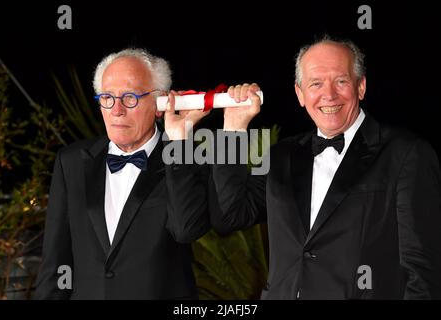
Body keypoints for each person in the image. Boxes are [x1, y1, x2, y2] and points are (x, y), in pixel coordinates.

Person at [210, 36, 441, 299]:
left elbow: (422, 272)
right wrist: (233, 130)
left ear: (361, 86)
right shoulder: (280, 155)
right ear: (300, 94)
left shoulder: (407, 154)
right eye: (316, 83)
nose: (329, 95)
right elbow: (229, 215)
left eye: (340, 81)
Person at [34, 48, 211, 299]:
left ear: (159, 103)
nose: (116, 110)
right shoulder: (70, 161)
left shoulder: (186, 158)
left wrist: (178, 144)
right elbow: (54, 263)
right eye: (107, 97)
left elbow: (185, 230)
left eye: (130, 98)